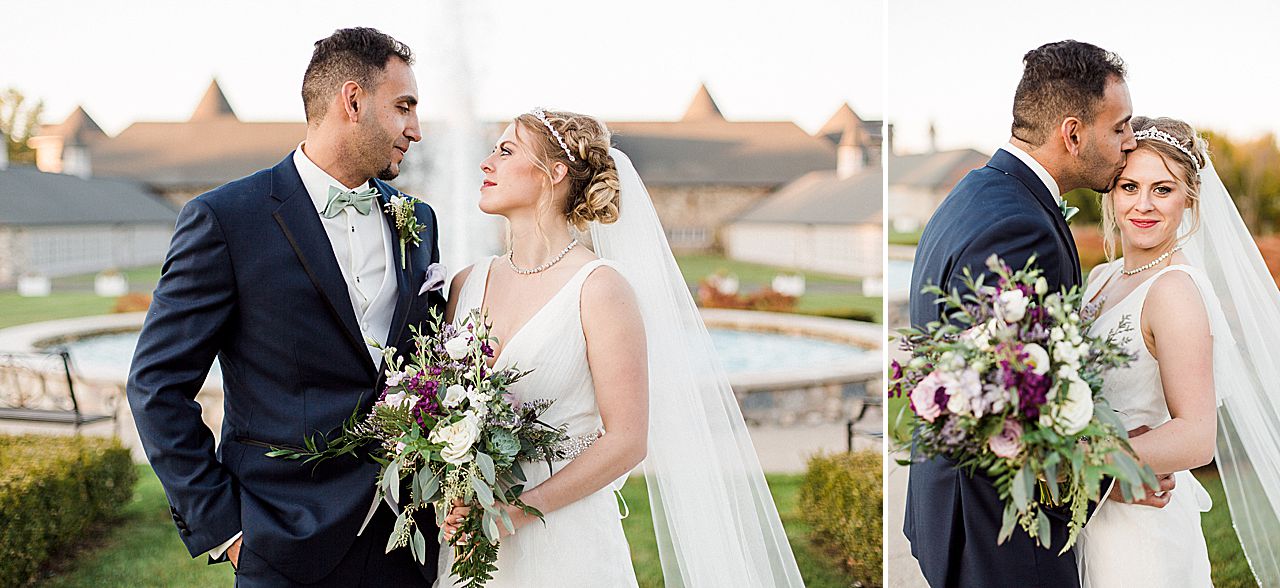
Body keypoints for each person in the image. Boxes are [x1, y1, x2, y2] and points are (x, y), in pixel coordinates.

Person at [436, 109, 805, 586]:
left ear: (555, 173)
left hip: (563, 540)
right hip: (472, 543)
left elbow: (627, 440)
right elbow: (442, 408)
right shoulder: (467, 283)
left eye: (506, 151)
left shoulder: (598, 289)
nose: (486, 163)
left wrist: (515, 514)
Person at [127, 27, 443, 585]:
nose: (415, 130)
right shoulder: (226, 220)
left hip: (408, 541)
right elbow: (156, 386)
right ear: (352, 101)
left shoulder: (417, 223)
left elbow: (430, 364)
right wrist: (228, 531)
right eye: (404, 107)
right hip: (283, 543)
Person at [904, 40, 1175, 587]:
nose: (1129, 144)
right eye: (1119, 127)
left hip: (959, 517)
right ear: (1073, 134)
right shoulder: (1020, 226)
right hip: (999, 538)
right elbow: (996, 403)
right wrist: (1109, 476)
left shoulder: (977, 193)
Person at [1076, 117, 1280, 587]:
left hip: (1143, 532)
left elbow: (1195, 436)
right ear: (1111, 191)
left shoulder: (1174, 291)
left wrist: (1081, 463)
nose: (1142, 205)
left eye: (1162, 190)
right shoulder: (1101, 279)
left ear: (1189, 197)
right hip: (1097, 513)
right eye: (1129, 186)